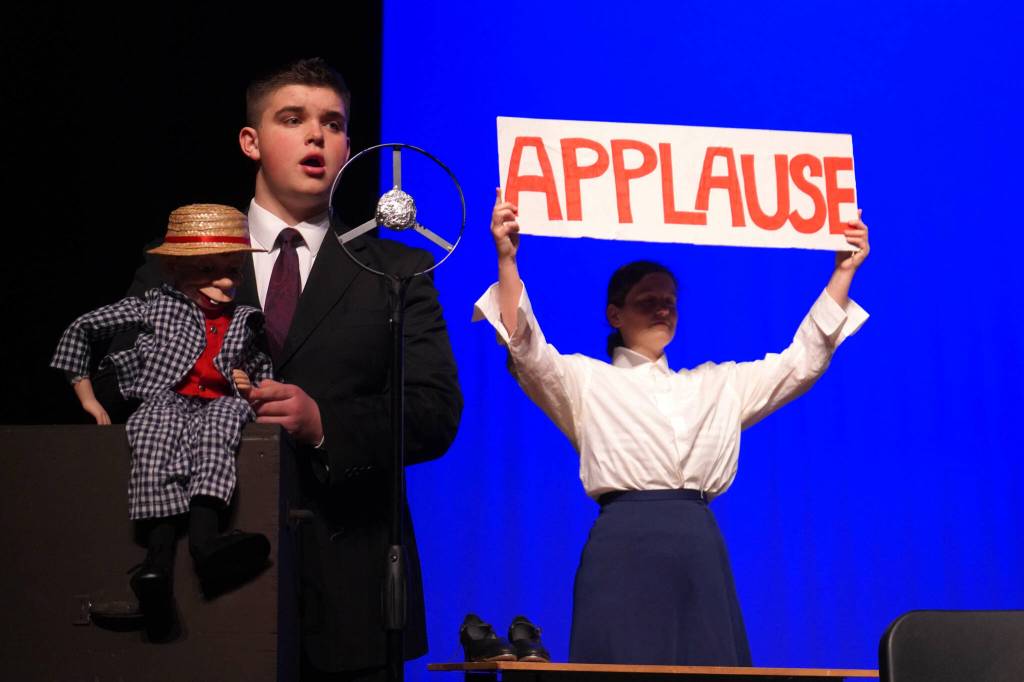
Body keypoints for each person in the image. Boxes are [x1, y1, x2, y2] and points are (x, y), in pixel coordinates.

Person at [93, 58, 463, 679]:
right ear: (251, 141)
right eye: (292, 119)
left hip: (352, 592)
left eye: (333, 123)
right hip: (207, 582)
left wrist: (325, 423)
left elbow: (433, 410)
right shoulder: (176, 264)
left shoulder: (396, 270)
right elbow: (113, 381)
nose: (316, 136)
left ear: (349, 145)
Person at [474, 189, 870, 665]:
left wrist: (843, 270)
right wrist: (507, 257)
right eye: (648, 301)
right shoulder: (584, 380)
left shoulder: (716, 385)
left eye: (670, 301)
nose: (663, 309)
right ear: (614, 315)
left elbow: (800, 362)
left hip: (697, 547)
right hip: (623, 546)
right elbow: (525, 347)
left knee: (708, 670)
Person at [51, 203, 274, 628]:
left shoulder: (245, 320)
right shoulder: (155, 305)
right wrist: (87, 395)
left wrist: (252, 389)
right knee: (154, 445)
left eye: (233, 270)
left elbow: (263, 375)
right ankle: (156, 566)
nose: (226, 282)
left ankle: (207, 545)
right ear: (175, 271)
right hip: (164, 399)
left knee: (219, 436)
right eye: (209, 270)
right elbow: (82, 328)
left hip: (219, 403)